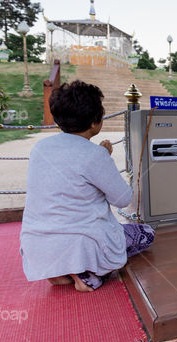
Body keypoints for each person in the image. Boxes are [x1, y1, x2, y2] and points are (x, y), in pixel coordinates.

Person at [20, 81, 155, 292]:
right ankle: (88, 274)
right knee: (146, 233)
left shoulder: (40, 148)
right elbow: (122, 199)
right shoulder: (94, 156)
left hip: (38, 246)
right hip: (80, 243)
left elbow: (70, 173)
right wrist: (104, 158)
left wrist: (101, 157)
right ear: (95, 122)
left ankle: (59, 271)